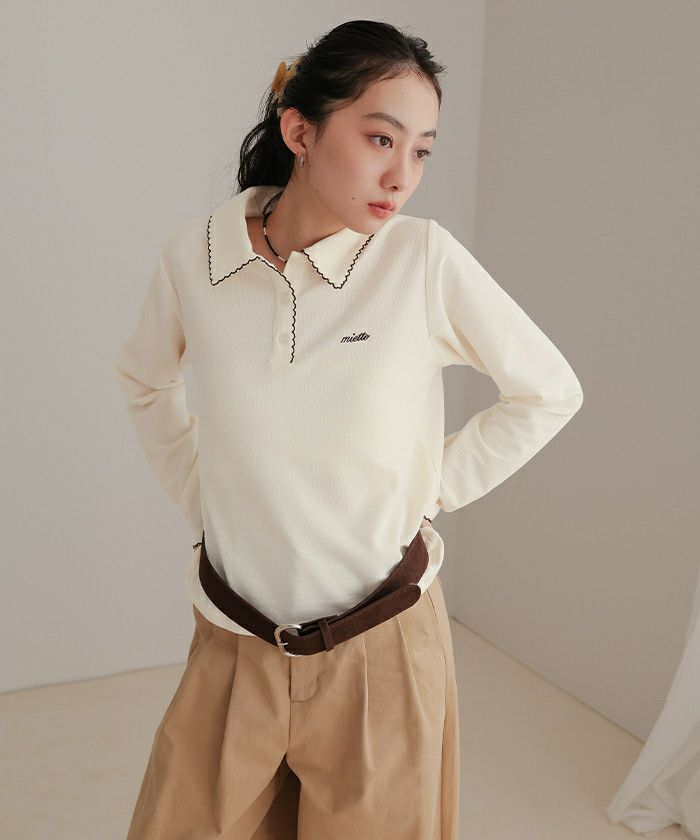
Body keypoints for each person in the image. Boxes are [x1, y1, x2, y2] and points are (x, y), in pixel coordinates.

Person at [112, 19, 583, 840]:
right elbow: (145, 381)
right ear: (300, 131)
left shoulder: (422, 259)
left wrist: (428, 489)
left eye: (422, 151)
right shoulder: (196, 257)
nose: (402, 176)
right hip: (235, 643)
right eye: (380, 139)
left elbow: (548, 391)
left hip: (382, 651)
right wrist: (204, 494)